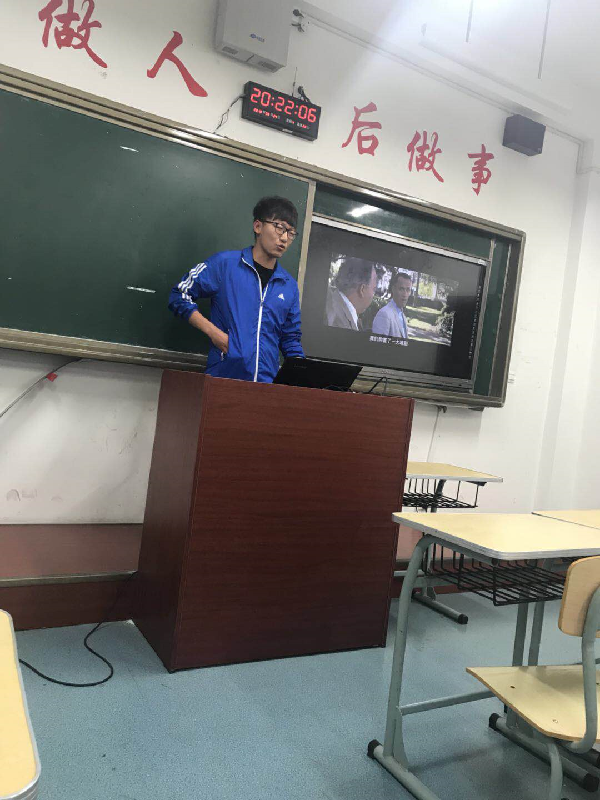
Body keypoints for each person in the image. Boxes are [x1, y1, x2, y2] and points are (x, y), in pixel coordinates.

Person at [168, 196, 303, 383]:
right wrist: (215, 334)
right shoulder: (225, 265)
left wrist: (304, 378)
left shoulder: (288, 286)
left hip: (267, 386)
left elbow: (291, 339)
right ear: (258, 226)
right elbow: (180, 295)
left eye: (291, 232)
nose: (284, 238)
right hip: (223, 380)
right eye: (279, 227)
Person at [325, 257, 377, 330]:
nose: (373, 295)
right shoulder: (338, 321)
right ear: (362, 289)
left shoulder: (331, 303)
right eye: (374, 289)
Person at [372, 271, 412, 342]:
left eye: (408, 290)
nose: (405, 294)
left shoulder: (403, 316)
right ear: (393, 289)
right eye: (401, 289)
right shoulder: (384, 314)